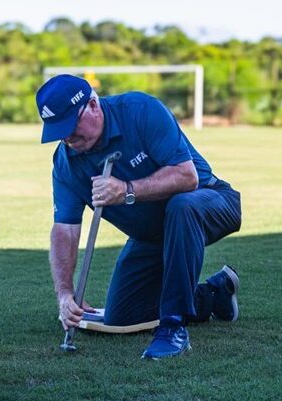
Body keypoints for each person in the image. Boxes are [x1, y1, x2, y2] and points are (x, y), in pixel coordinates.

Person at [36, 75, 242, 360]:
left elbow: (187, 176)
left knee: (181, 207)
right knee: (122, 316)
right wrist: (65, 294)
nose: (68, 138)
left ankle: (173, 327)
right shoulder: (66, 163)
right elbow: (65, 229)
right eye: (60, 132)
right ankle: (213, 295)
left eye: (71, 126)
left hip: (210, 201)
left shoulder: (141, 110)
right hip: (153, 233)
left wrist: (125, 190)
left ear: (93, 105)